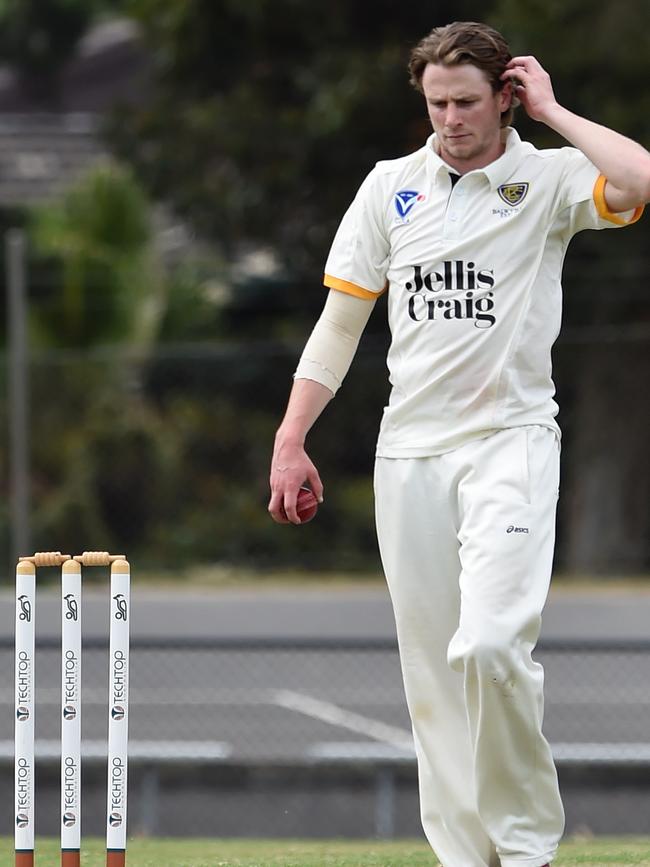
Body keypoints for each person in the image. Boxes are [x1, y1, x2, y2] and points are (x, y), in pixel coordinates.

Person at [268, 20, 649, 867]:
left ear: (505, 96)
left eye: (467, 102)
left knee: (489, 645)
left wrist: (552, 111)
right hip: (411, 455)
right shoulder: (388, 188)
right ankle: (462, 854)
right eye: (437, 102)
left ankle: (523, 848)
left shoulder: (547, 178)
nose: (449, 119)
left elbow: (640, 177)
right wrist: (292, 439)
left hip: (509, 443)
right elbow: (339, 327)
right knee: (435, 678)